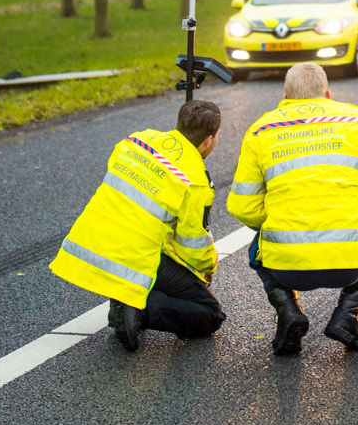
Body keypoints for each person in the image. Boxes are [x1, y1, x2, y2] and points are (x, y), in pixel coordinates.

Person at [228, 63, 358, 355]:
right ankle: (348, 315)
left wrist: (277, 224)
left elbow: (241, 206)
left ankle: (288, 310)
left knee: (259, 244)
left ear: (285, 97)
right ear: (327, 94)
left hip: (286, 267)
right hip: (350, 265)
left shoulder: (261, 130)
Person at [49, 99, 226, 350]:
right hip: (133, 258)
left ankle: (124, 300)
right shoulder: (195, 180)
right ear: (209, 140)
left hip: (92, 243)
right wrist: (208, 267)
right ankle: (139, 309)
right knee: (210, 314)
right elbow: (192, 245)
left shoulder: (136, 141)